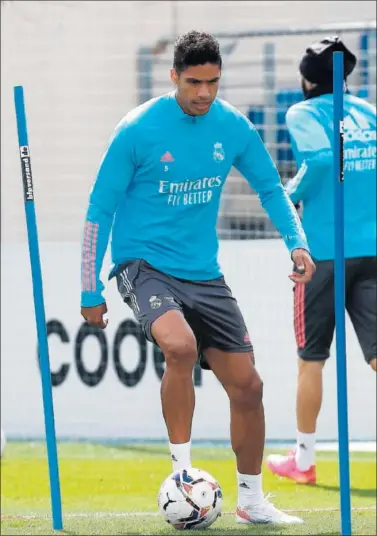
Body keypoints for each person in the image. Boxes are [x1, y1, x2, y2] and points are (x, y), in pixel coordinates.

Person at [80, 30, 315, 524]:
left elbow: (271, 189)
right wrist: (89, 285)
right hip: (142, 265)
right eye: (193, 83)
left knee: (249, 387)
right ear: (174, 77)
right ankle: (183, 477)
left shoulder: (233, 127)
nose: (204, 92)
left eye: (212, 82)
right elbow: (99, 210)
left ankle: (251, 501)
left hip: (203, 272)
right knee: (181, 347)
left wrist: (296, 242)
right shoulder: (137, 129)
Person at [266, 36, 376, 485]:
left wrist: (288, 195)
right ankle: (303, 459)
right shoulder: (369, 112)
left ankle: (305, 461)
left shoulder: (303, 112)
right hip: (371, 249)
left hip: (322, 255)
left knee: (311, 359)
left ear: (306, 78)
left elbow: (320, 159)